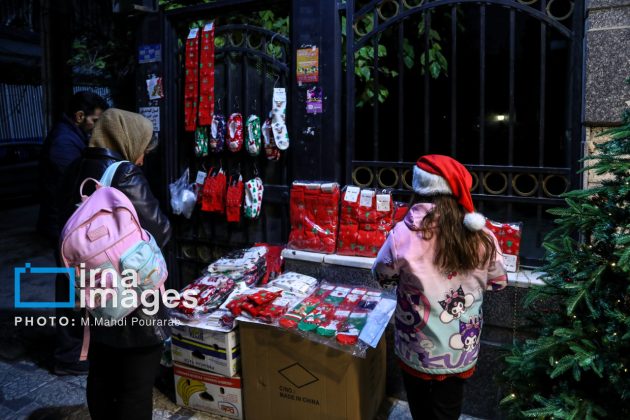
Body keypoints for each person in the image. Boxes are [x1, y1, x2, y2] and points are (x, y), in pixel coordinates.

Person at [373, 155, 507, 420]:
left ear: (419, 189)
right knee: (449, 407)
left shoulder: (402, 234)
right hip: (460, 346)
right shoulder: (482, 236)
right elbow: (498, 281)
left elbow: (381, 272)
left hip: (416, 345)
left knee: (419, 404)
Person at [59, 108, 171, 420]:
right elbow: (160, 230)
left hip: (91, 295)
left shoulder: (74, 168)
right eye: (143, 150)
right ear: (128, 139)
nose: (142, 159)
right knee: (135, 386)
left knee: (102, 377)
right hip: (133, 301)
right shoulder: (124, 173)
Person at [37, 91, 108, 375]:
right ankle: (68, 357)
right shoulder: (64, 143)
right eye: (94, 120)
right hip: (63, 228)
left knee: (76, 290)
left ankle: (77, 351)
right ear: (80, 117)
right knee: (70, 293)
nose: (96, 126)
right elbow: (79, 184)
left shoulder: (71, 137)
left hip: (67, 225)